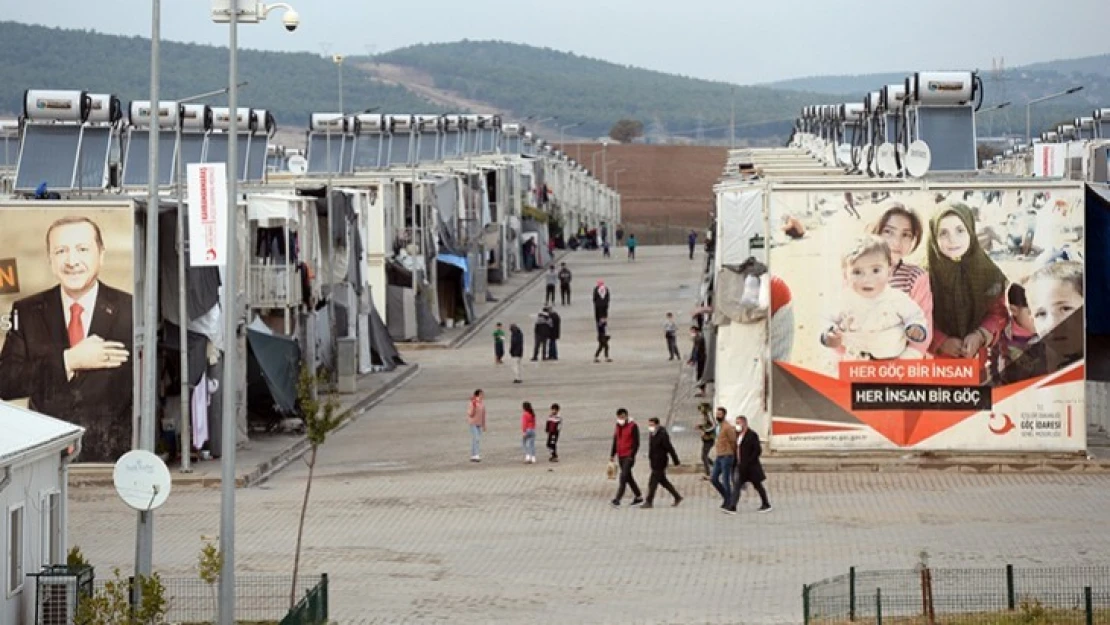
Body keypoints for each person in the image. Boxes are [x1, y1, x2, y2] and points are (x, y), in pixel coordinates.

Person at [0, 216, 133, 462]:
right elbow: (6, 383)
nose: (72, 261)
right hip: (46, 457)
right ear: (50, 260)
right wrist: (68, 360)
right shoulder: (28, 310)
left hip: (110, 458)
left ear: (101, 255)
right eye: (61, 251)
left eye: (82, 249)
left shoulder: (131, 309)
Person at [926, 204, 1008, 381]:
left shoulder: (988, 271)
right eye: (943, 233)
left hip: (977, 360)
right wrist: (941, 342)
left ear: (971, 230)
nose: (952, 239)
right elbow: (916, 317)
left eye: (960, 230)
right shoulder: (924, 274)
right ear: (933, 236)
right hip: (933, 364)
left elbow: (999, 312)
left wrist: (980, 335)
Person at [819, 236, 929, 361]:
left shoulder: (896, 298)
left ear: (889, 272)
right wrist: (829, 334)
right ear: (845, 275)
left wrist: (915, 327)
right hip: (856, 359)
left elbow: (915, 314)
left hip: (893, 359)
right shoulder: (844, 300)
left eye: (876, 270)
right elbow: (826, 318)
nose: (867, 279)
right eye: (857, 272)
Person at [869, 203, 934, 357]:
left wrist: (904, 364)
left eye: (905, 235)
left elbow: (923, 331)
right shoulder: (854, 271)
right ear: (875, 232)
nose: (896, 242)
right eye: (888, 232)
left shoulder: (915, 277)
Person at [730, 416, 772, 513]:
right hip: (741, 466)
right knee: (737, 485)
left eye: (739, 423)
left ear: (745, 423)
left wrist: (749, 461)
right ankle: (732, 506)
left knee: (757, 485)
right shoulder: (737, 436)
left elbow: (757, 450)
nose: (737, 425)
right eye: (736, 423)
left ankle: (766, 503)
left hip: (751, 467)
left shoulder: (752, 435)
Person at [642, 417, 682, 509]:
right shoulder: (652, 433)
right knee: (663, 481)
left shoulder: (662, 435)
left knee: (652, 483)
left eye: (652, 425)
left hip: (660, 462)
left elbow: (669, 448)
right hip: (654, 461)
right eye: (649, 425)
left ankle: (649, 501)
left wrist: (676, 460)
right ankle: (677, 497)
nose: (650, 427)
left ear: (657, 425)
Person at [609, 408, 643, 507]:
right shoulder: (618, 426)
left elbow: (636, 443)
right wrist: (612, 454)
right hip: (621, 455)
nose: (621, 419)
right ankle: (638, 496)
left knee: (623, 476)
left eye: (623, 417)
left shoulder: (633, 426)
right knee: (628, 477)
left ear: (626, 416)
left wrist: (632, 456)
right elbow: (616, 440)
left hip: (629, 456)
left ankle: (617, 499)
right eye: (619, 417)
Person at [710, 407, 737, 511]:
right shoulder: (718, 426)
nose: (718, 416)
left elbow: (733, 441)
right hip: (719, 455)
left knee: (725, 480)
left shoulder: (727, 427)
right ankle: (726, 497)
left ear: (724, 415)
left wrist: (732, 453)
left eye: (720, 414)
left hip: (727, 455)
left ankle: (729, 501)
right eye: (717, 414)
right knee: (713, 478)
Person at [696, 402, 716, 480]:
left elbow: (713, 426)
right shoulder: (706, 415)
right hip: (706, 438)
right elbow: (706, 424)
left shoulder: (709, 415)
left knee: (704, 456)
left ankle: (708, 473)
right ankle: (716, 467)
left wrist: (705, 430)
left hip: (710, 438)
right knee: (705, 456)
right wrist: (700, 426)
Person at [466, 389, 487, 462]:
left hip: (479, 424)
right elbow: (470, 414)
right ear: (478, 395)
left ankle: (473, 455)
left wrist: (484, 425)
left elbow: (483, 415)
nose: (482, 396)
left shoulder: (482, 404)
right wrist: (474, 407)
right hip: (473, 423)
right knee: (476, 439)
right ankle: (477, 455)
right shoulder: (473, 403)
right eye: (481, 394)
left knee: (475, 439)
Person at [687, 326, 707, 397]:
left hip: (701, 359)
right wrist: (691, 359)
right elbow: (694, 350)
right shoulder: (698, 338)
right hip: (700, 358)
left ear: (696, 331)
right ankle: (702, 391)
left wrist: (693, 360)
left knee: (700, 375)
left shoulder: (698, 338)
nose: (691, 333)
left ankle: (703, 391)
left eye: (692, 331)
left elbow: (696, 350)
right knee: (699, 375)